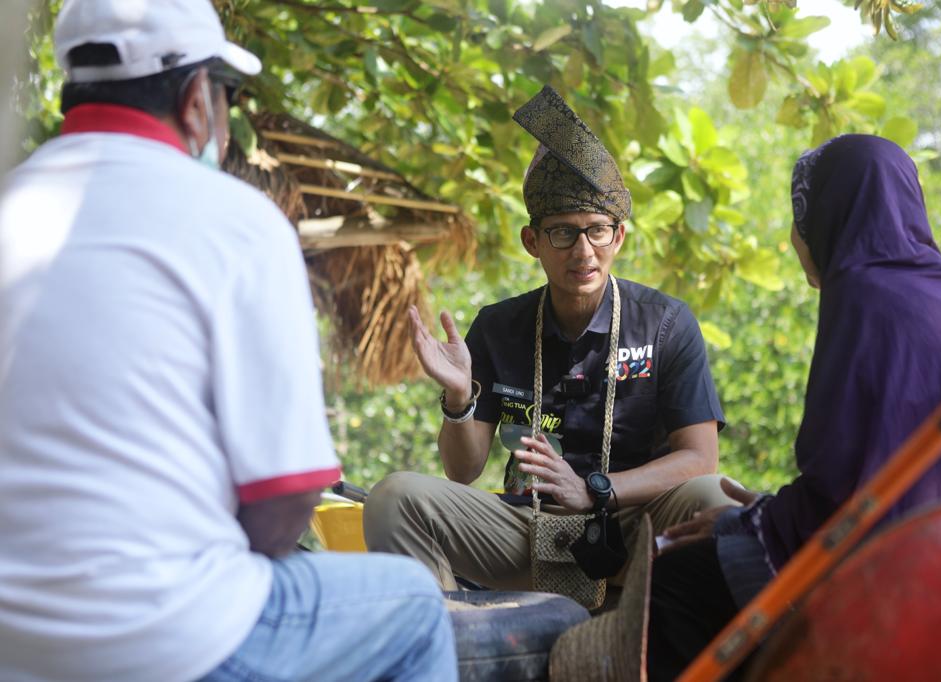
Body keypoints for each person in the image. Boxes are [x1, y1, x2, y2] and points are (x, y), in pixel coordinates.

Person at [0, 2, 455, 681]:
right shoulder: (238, 223)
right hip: (168, 639)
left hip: (13, 642)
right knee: (415, 604)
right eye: (226, 95)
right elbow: (286, 497)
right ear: (195, 101)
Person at [645, 134, 941, 680]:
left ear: (822, 218)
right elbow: (880, 479)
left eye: (798, 218)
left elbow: (843, 498)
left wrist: (751, 523)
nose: (795, 237)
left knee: (679, 585)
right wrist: (768, 512)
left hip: (914, 584)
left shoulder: (866, 299)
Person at [364, 85, 736, 595]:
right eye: (562, 233)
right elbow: (463, 471)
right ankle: (454, 650)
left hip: (631, 527)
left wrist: (596, 492)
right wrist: (457, 400)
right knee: (394, 498)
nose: (583, 250)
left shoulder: (666, 323)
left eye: (597, 231)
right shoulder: (498, 327)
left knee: (716, 496)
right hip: (524, 529)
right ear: (532, 241)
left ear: (619, 237)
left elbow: (700, 458)